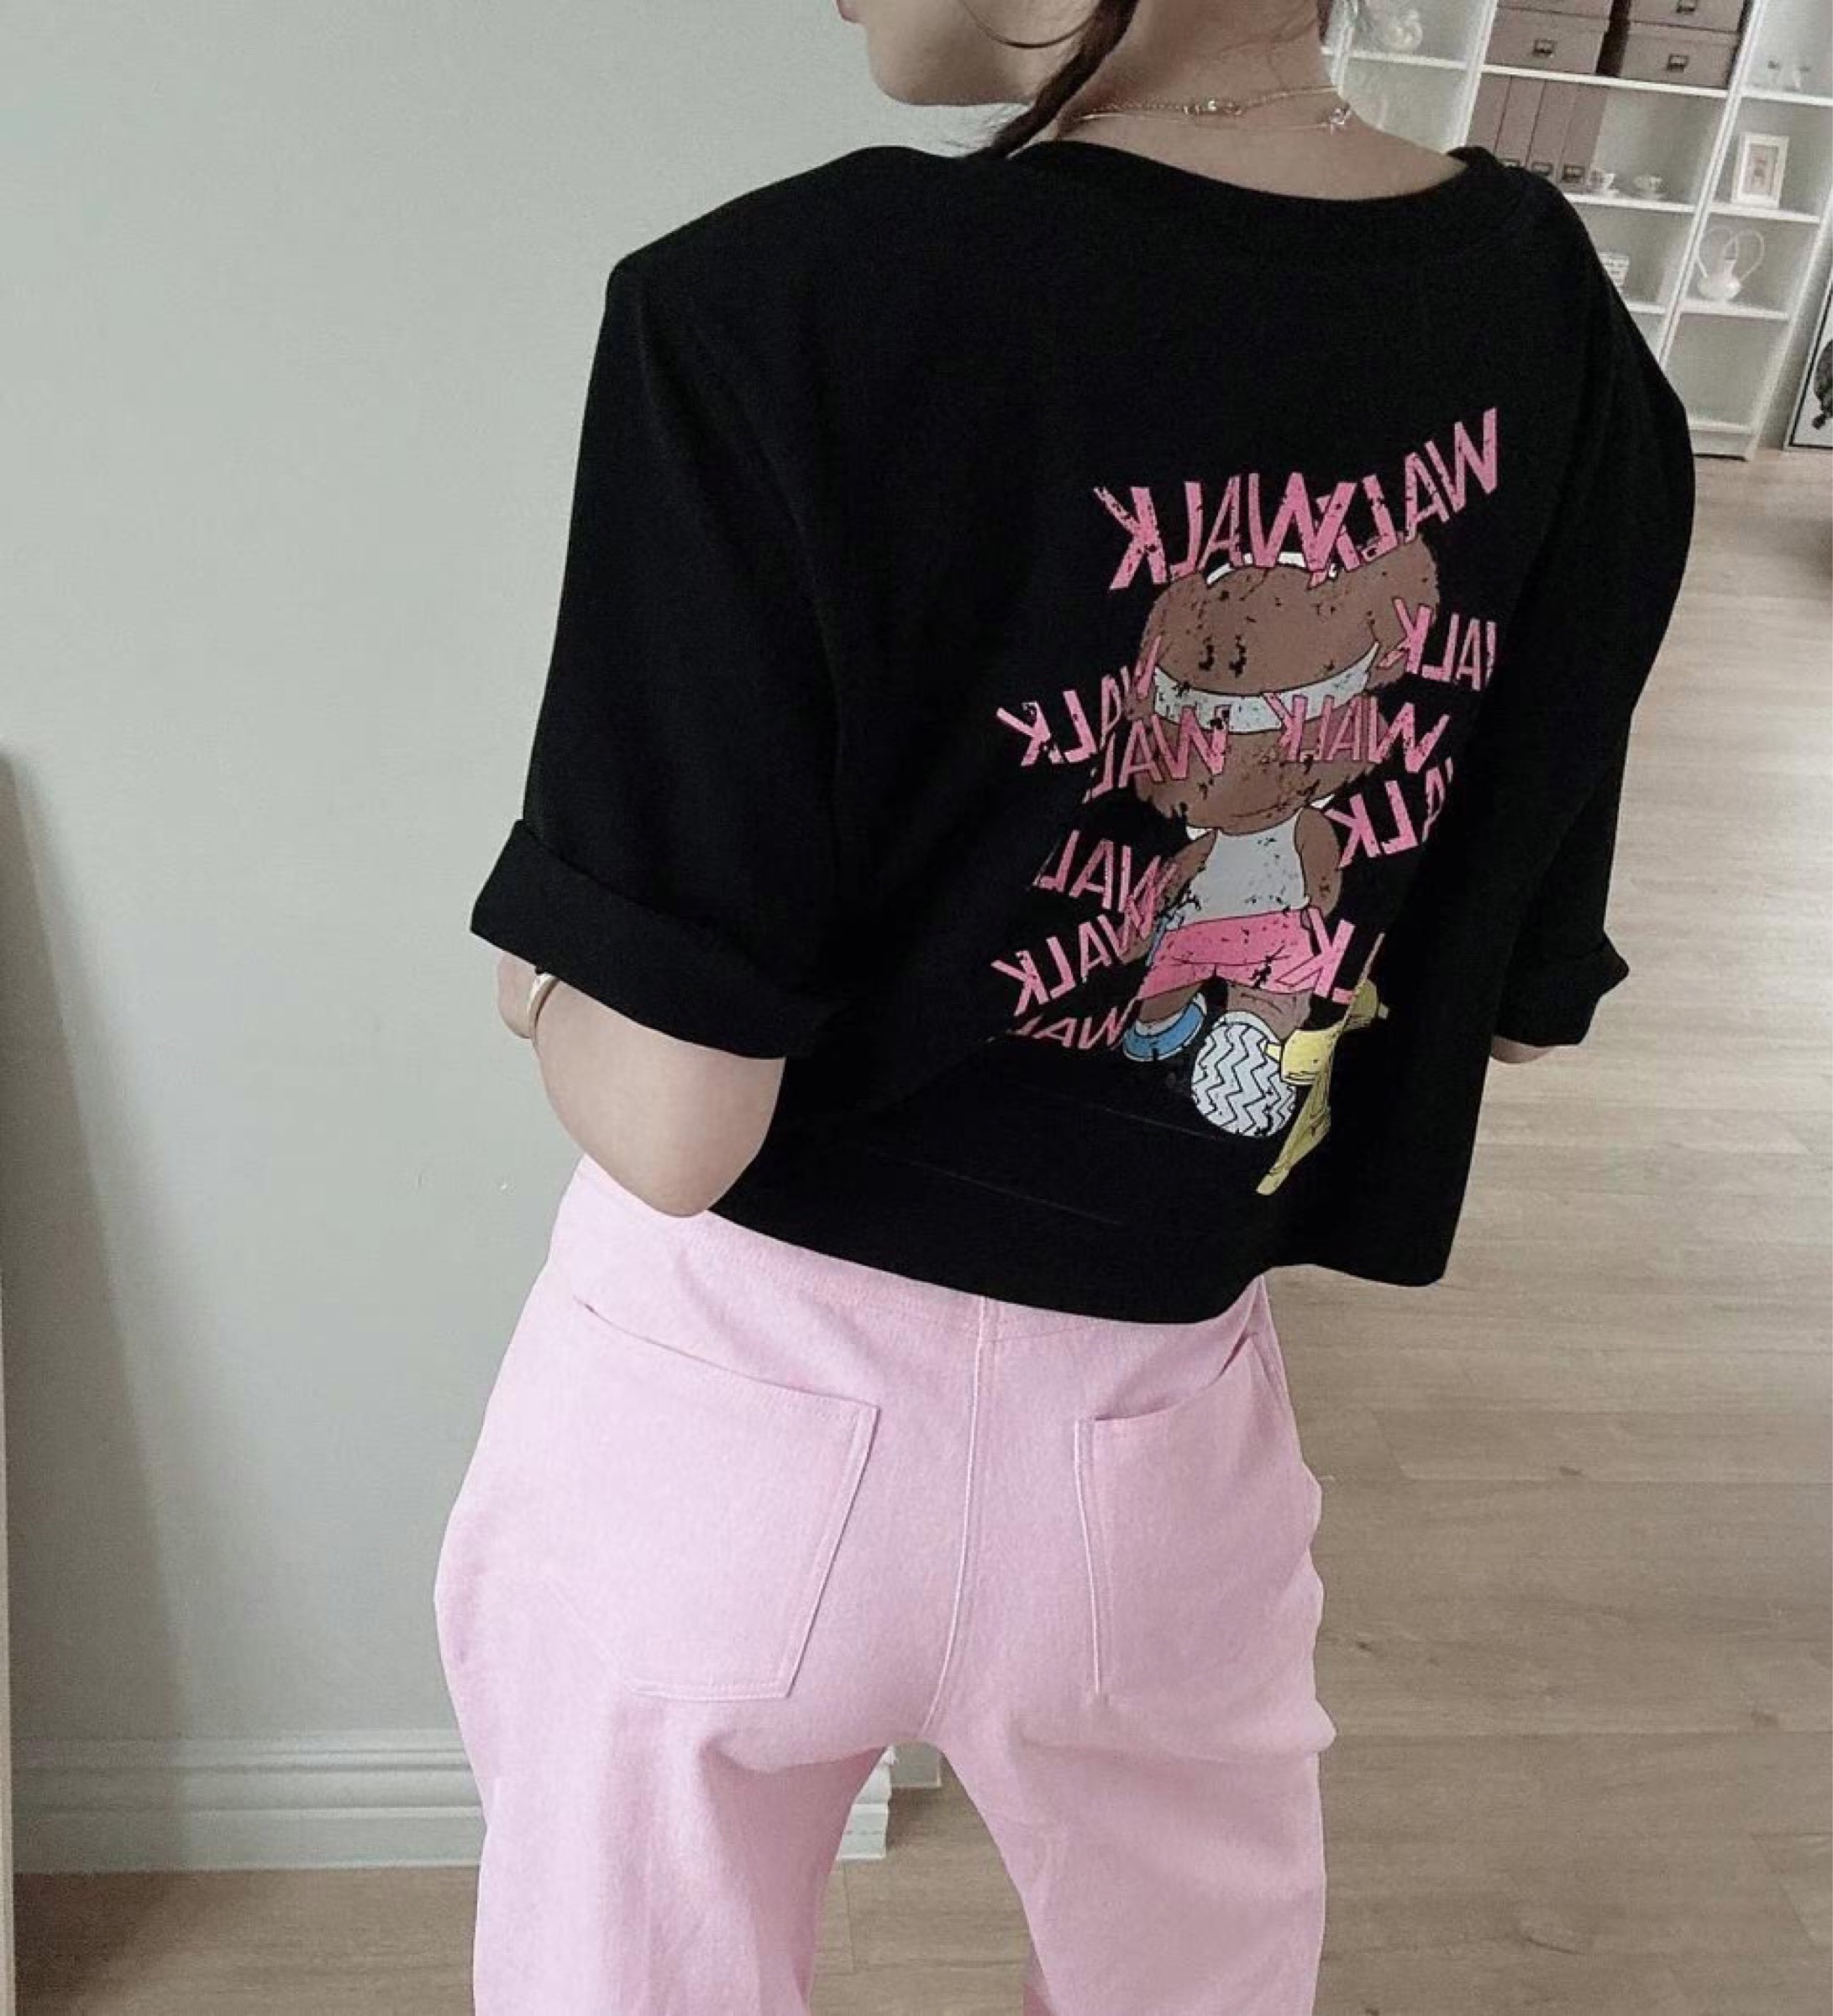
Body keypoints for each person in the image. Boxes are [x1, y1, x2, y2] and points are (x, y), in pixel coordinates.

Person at [435, 0, 1697, 2009]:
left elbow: (675, 1122)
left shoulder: (775, 305)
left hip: (720, 1409)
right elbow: (1509, 1003)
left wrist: (538, 977)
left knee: (627, 1967)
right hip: (1152, 1434)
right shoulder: (1553, 325)